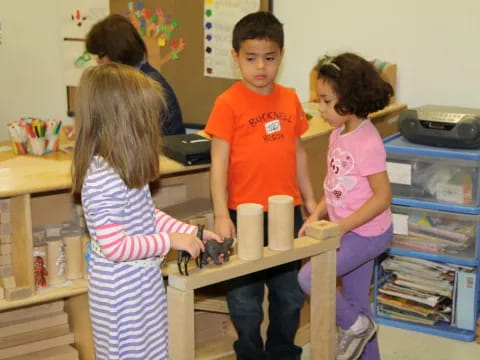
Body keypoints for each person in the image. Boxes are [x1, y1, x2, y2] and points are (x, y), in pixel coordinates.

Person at [72, 63, 221, 360]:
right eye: (148, 118)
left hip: (142, 281)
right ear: (125, 123)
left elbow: (147, 216)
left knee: (155, 353)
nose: (154, 125)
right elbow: (115, 246)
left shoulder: (123, 169)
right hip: (120, 293)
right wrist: (170, 242)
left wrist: (192, 232)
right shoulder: (103, 179)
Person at [205, 12, 317, 360]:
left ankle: (283, 352)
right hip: (243, 214)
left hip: (288, 214)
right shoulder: (227, 103)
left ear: (281, 56)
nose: (260, 67)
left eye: (269, 58)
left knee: (289, 295)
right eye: (250, 58)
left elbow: (298, 152)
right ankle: (249, 354)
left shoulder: (289, 98)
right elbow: (218, 163)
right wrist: (222, 216)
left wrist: (311, 200)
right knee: (245, 299)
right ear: (235, 56)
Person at [297, 52, 394, 360]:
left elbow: (382, 197)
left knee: (309, 277)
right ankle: (360, 332)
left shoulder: (366, 142)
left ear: (350, 100)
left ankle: (353, 327)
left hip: (368, 234)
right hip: (349, 231)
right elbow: (335, 185)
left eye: (326, 101)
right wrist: (317, 213)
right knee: (358, 307)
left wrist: (341, 227)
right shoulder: (339, 133)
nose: (320, 108)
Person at [85, 14, 185, 136]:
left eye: (101, 55)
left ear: (118, 53)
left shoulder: (149, 87)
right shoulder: (125, 80)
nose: (98, 61)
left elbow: (135, 140)